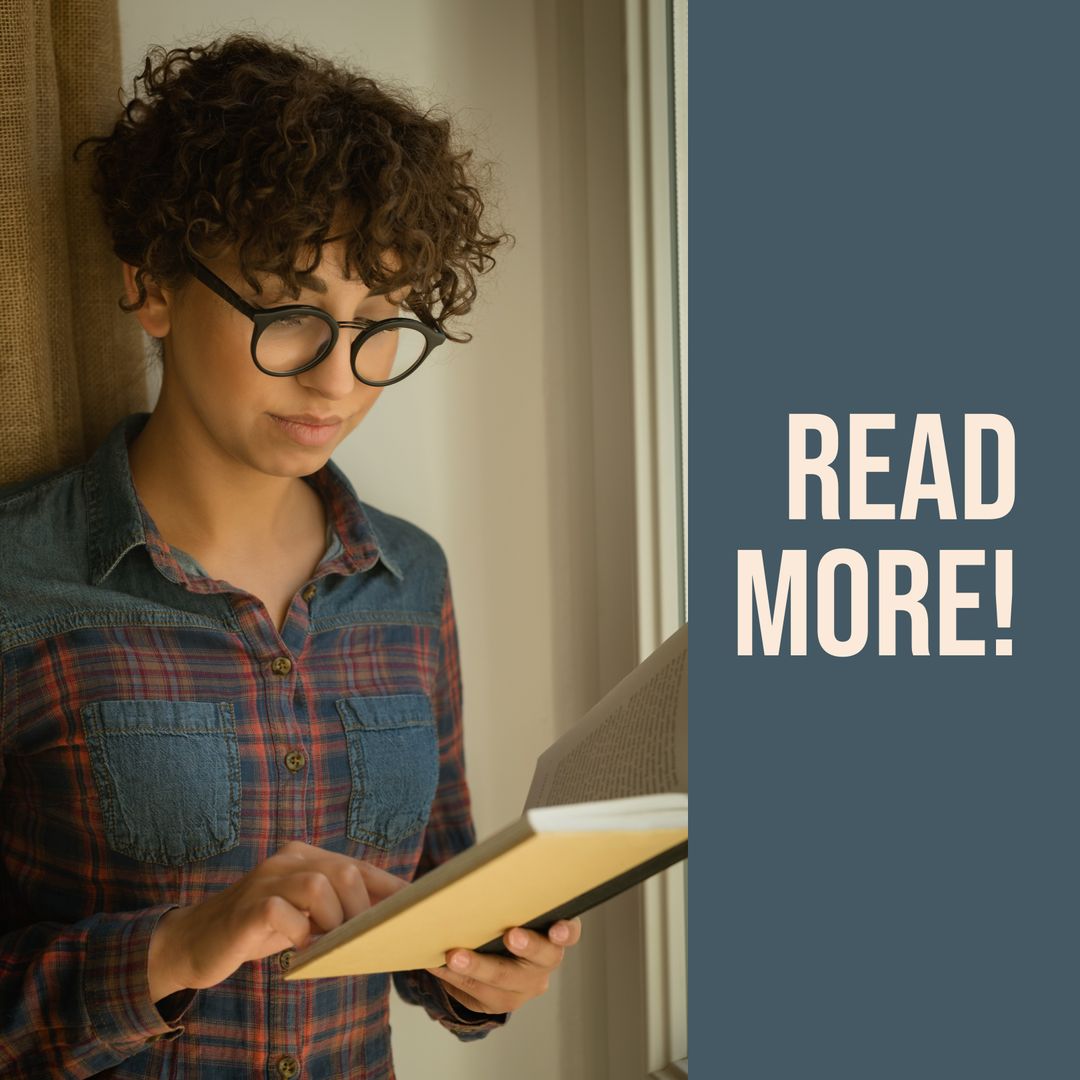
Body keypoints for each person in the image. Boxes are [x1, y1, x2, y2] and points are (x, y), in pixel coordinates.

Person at [0, 33, 580, 1079]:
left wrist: (478, 971)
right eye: (290, 312)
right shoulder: (17, 580)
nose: (336, 379)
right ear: (154, 287)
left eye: (377, 324)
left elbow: (431, 891)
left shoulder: (410, 579)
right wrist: (177, 947)